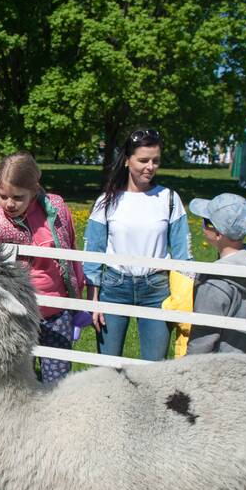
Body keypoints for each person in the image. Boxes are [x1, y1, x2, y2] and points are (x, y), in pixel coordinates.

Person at [0, 152, 85, 383]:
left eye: (18, 197)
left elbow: (71, 252)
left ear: (34, 190)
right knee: (18, 379)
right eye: (2, 196)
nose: (9, 204)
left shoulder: (57, 209)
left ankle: (55, 418)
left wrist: (78, 300)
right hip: (17, 314)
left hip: (57, 310)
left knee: (58, 379)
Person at [83, 128, 191, 361]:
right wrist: (93, 301)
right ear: (127, 160)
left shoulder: (169, 199)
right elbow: (93, 254)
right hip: (113, 288)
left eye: (155, 161)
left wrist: (183, 298)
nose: (150, 167)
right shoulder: (107, 202)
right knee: (108, 369)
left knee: (154, 370)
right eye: (143, 160)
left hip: (156, 290)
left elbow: (183, 257)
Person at [184, 192, 246, 355]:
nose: (202, 225)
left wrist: (186, 368)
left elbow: (204, 335)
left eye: (205, 222)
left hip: (222, 368)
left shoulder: (214, 281)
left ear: (218, 233)